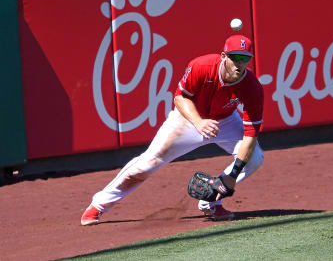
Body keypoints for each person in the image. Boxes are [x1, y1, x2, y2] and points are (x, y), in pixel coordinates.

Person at [81, 34, 264, 225]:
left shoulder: (252, 88)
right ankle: (99, 205)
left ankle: (211, 198)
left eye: (244, 58)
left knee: (255, 158)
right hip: (188, 118)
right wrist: (199, 122)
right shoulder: (202, 66)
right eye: (235, 57)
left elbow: (250, 136)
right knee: (147, 163)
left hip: (225, 121)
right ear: (224, 56)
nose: (239, 63)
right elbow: (180, 98)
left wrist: (233, 176)